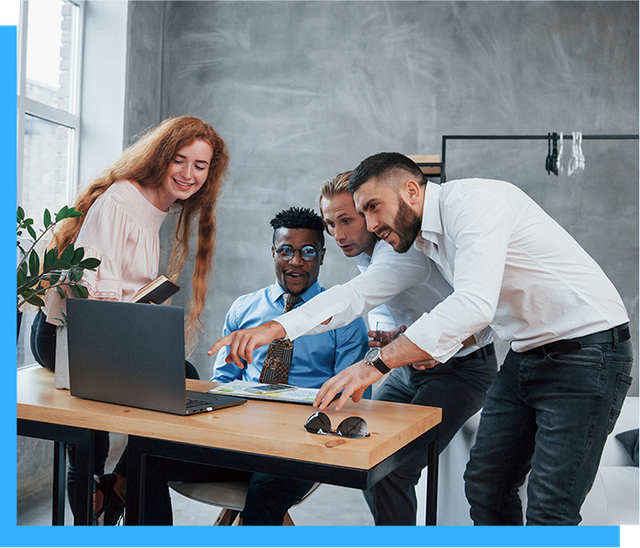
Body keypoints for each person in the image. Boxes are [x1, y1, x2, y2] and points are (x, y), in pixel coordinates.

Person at [313, 152, 633, 526]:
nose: (370, 224)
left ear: (411, 191)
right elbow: (479, 311)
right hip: (525, 352)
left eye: (373, 207)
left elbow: (474, 304)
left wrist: (376, 365)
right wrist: (437, 347)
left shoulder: (474, 205)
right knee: (485, 486)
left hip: (588, 352)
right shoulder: (427, 240)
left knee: (551, 509)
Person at [209, 172, 497, 525]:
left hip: (460, 369)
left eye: (347, 220)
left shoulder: (399, 253)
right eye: (331, 223)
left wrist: (276, 327)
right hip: (407, 367)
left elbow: (353, 297)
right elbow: (383, 307)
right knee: (373, 460)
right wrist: (398, 340)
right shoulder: (366, 258)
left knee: (392, 468)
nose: (339, 234)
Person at [30, 116, 229, 523]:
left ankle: (122, 481)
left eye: (200, 165)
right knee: (93, 435)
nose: (188, 173)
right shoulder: (123, 199)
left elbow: (121, 286)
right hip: (65, 332)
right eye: (179, 160)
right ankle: (96, 511)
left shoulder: (158, 205)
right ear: (161, 156)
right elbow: (85, 289)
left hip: (105, 331)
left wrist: (140, 312)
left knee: (183, 377)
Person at [139, 206, 370, 525]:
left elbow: (351, 400)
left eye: (307, 252)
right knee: (146, 462)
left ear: (322, 255)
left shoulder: (344, 319)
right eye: (286, 250)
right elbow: (221, 384)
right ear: (273, 253)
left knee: (263, 495)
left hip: (299, 447)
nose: (296, 261)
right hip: (239, 440)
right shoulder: (244, 309)